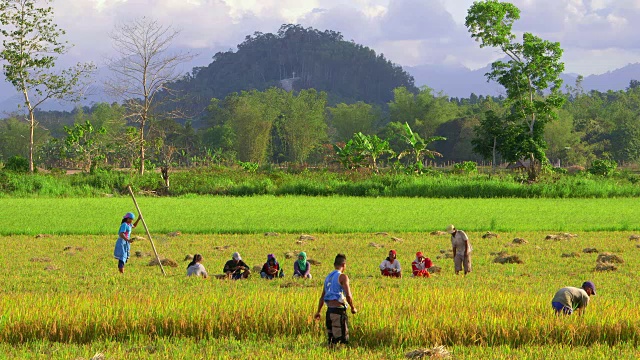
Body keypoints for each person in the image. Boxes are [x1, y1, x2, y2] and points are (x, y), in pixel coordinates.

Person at [314, 253, 357, 346]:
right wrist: (353, 307)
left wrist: (318, 311)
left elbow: (322, 297)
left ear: (334, 264)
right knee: (341, 341)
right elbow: (348, 296)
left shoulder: (328, 278)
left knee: (331, 341)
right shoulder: (342, 277)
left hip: (329, 312)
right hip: (338, 312)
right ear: (344, 265)